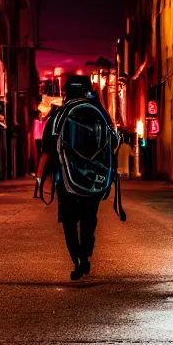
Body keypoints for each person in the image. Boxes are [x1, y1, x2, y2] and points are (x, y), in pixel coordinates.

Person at [39, 75, 111, 281]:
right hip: (94, 180)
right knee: (89, 220)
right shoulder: (98, 114)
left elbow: (47, 149)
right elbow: (113, 140)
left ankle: (78, 261)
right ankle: (86, 256)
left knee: (70, 223)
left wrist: (40, 179)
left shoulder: (58, 116)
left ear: (66, 93)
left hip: (67, 180)